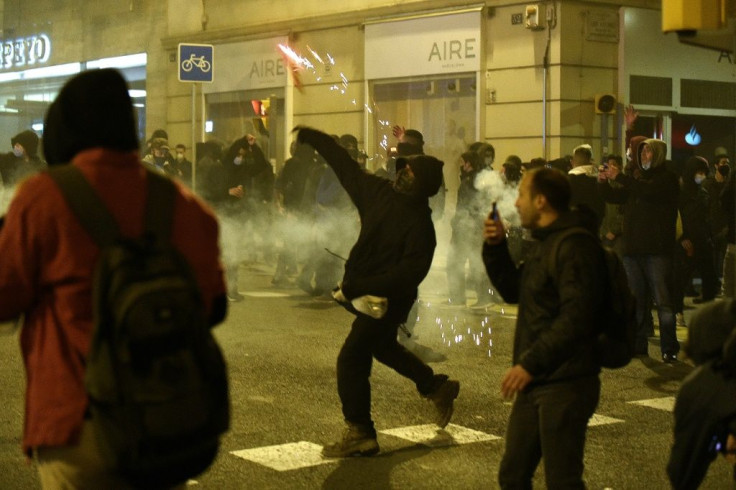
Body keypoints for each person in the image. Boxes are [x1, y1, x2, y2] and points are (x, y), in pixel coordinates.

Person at [0, 68, 227, 488]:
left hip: (79, 422)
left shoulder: (42, 197)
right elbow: (212, 307)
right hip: (165, 418)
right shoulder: (184, 205)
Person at [294, 126, 460, 458]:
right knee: (383, 348)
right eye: (404, 168)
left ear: (422, 183)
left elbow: (409, 274)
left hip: (388, 301)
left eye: (411, 171)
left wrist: (362, 286)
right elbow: (346, 168)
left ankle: (360, 432)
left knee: (352, 358)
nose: (403, 173)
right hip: (369, 294)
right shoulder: (379, 192)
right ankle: (435, 386)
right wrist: (317, 138)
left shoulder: (421, 228)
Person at [482, 167, 606, 489]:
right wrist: (495, 247)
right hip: (538, 380)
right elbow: (515, 290)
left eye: (522, 194)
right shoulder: (545, 243)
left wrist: (529, 363)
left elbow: (577, 318)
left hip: (566, 382)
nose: (516, 202)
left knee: (562, 480)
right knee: (513, 475)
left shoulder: (574, 246)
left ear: (541, 201)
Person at [598, 138, 680, 362]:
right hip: (633, 250)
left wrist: (621, 176)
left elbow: (648, 192)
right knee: (636, 300)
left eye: (648, 153)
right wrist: (604, 182)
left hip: (657, 250)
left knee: (663, 302)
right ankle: (638, 343)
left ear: (659, 155)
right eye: (642, 153)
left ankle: (669, 348)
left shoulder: (667, 179)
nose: (644, 157)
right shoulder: (638, 179)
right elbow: (615, 197)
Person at [446, 151, 492, 307]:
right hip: (474, 228)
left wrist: (457, 221)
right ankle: (482, 298)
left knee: (455, 263)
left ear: (469, 163)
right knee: (476, 263)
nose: (460, 164)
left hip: (466, 229)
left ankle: (458, 298)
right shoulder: (477, 179)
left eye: (462, 161)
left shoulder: (469, 181)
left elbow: (467, 206)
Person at [568, 144, 605, 229]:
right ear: (590, 161)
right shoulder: (600, 179)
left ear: (572, 162)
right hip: (595, 227)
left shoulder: (567, 182)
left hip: (574, 229)